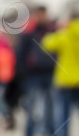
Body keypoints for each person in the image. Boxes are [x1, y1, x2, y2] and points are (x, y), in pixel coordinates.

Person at [16, 5, 56, 136]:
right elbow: (20, 54)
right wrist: (25, 72)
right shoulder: (28, 32)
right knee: (32, 109)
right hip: (32, 76)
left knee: (51, 109)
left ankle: (51, 132)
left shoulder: (52, 30)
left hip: (50, 74)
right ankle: (30, 132)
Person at [42, 8, 79, 136]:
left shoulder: (65, 34)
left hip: (65, 80)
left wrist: (59, 29)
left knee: (62, 115)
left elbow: (47, 43)